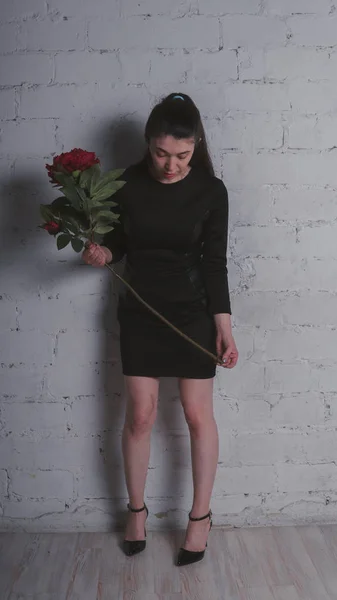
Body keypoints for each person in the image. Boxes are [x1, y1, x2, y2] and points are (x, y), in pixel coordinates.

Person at [82, 92, 238, 567]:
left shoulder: (212, 191)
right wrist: (100, 253)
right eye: (162, 153)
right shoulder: (124, 184)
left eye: (183, 155)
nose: (171, 165)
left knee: (196, 415)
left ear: (196, 147)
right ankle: (136, 510)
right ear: (149, 144)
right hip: (141, 312)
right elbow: (116, 245)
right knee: (142, 416)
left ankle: (200, 517)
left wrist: (224, 328)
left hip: (191, 312)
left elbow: (215, 264)